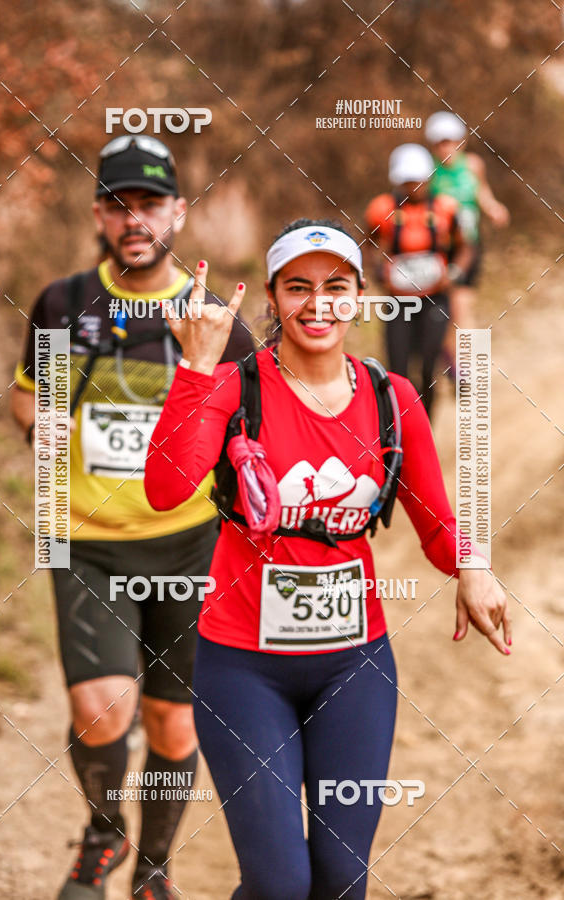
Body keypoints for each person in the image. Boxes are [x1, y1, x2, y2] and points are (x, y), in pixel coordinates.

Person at [144, 219, 511, 899]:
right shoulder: (235, 389)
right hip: (242, 670)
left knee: (342, 879)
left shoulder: (390, 397)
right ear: (274, 297)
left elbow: (435, 522)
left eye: (336, 287)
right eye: (298, 288)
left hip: (355, 665)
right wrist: (194, 367)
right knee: (281, 882)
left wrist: (472, 565)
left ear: (361, 296)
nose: (318, 304)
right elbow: (165, 491)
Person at [11, 134, 253, 900]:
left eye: (150, 203)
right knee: (101, 708)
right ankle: (103, 833)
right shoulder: (62, 302)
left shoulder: (217, 322)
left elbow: (249, 443)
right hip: (82, 540)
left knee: (173, 725)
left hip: (188, 547)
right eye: (119, 204)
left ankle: (154, 869)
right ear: (98, 215)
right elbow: (28, 390)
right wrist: (33, 423)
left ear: (178, 212)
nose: (135, 217)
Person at [365, 143, 473, 419]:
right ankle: (396, 429)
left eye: (418, 180)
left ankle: (424, 426)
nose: (413, 187)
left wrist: (454, 273)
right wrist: (378, 273)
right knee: (396, 369)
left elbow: (465, 247)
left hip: (435, 298)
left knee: (428, 365)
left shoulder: (446, 209)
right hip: (398, 301)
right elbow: (368, 245)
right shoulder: (381, 209)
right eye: (407, 181)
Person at [425, 111, 510, 366]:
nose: (446, 147)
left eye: (451, 140)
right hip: (441, 249)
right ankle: (456, 362)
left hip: (469, 246)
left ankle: (468, 366)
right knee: (447, 310)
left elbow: (482, 192)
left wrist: (494, 208)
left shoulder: (473, 165)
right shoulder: (429, 172)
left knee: (462, 307)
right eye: (441, 142)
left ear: (461, 141)